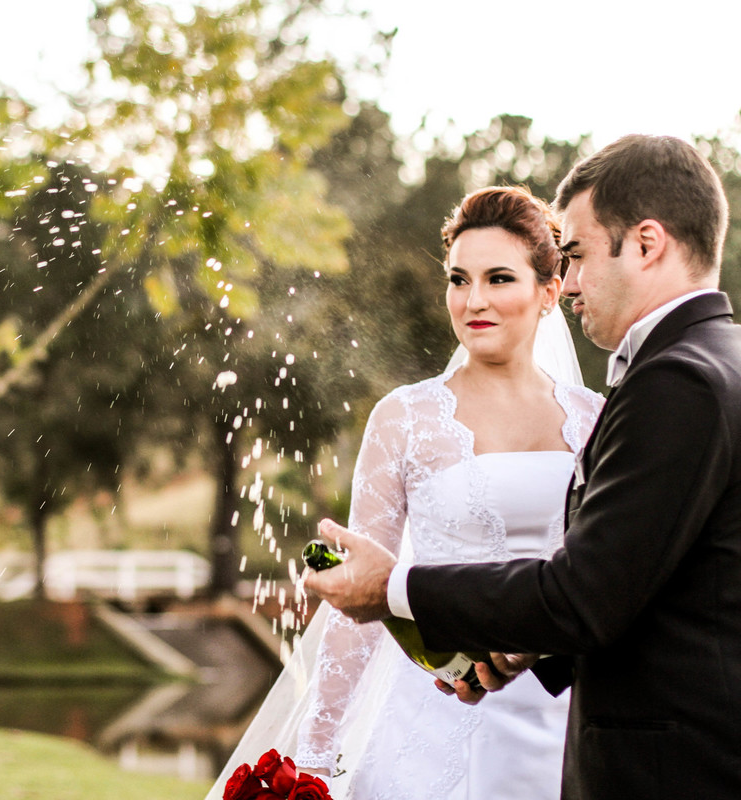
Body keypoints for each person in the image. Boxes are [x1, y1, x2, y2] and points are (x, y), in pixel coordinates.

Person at [306, 134, 741, 800]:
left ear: (647, 244)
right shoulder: (717, 363)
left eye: (577, 256)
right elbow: (646, 574)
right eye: (458, 279)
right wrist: (525, 650)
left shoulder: (668, 384)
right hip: (460, 711)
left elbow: (586, 592)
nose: (572, 283)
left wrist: (393, 588)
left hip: (650, 756)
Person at [204, 185, 603, 799]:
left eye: (499, 279)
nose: (473, 301)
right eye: (458, 279)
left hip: (565, 721)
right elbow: (360, 598)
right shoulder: (405, 419)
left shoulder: (597, 418)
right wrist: (314, 753)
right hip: (430, 720)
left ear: (548, 292)